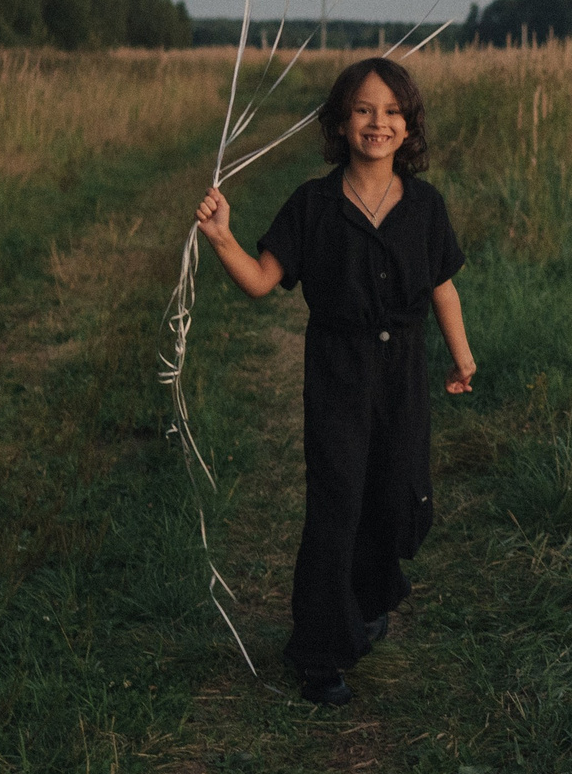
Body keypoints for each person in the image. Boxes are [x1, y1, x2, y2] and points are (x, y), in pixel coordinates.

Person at [195, 55, 477, 706]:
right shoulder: (313, 204)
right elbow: (262, 280)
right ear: (341, 122)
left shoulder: (425, 207)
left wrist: (462, 358)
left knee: (398, 496)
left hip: (403, 374)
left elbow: (444, 288)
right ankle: (320, 653)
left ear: (409, 125)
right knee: (337, 505)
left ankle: (369, 599)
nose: (378, 122)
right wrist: (221, 237)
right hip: (337, 372)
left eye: (392, 111)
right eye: (363, 109)